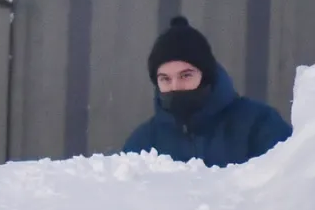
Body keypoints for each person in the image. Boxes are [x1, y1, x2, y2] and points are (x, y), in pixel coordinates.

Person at [123, 16, 291, 167]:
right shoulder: (143, 144)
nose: (175, 87)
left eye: (186, 75)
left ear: (206, 75)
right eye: (165, 79)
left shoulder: (258, 126)